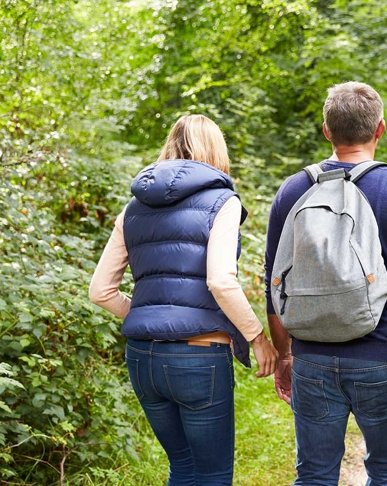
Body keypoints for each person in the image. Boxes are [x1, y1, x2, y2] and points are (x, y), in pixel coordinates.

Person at [264, 81, 387, 485]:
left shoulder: (293, 190)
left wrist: (285, 354)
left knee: (314, 475)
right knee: (386, 471)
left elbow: (274, 280)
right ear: (381, 130)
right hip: (383, 357)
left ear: (326, 131)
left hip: (312, 360)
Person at [89, 114, 278, 485]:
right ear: (216, 150)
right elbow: (221, 281)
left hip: (143, 358)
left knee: (183, 466)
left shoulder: (132, 209)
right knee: (212, 474)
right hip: (198, 358)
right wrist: (257, 338)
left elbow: (100, 291)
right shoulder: (223, 202)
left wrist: (146, 315)